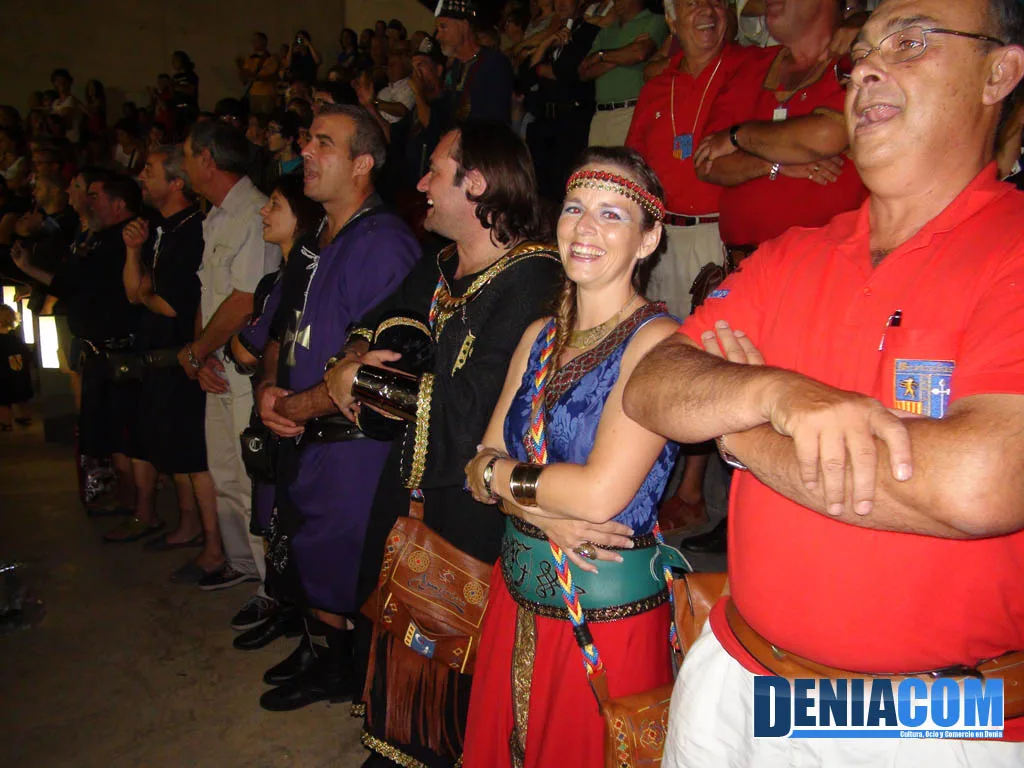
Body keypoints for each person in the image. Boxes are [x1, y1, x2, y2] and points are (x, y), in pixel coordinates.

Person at [624, 0, 1024, 762]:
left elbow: (981, 481)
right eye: (863, 51)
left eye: (911, 42)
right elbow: (652, 384)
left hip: (926, 713)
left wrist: (738, 431)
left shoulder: (1013, 250)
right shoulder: (794, 253)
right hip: (739, 669)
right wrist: (780, 395)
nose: (869, 66)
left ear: (998, 72)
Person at [323, 121, 563, 768]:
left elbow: (481, 407)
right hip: (413, 481)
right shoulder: (443, 264)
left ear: (477, 183)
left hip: (475, 499)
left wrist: (367, 378)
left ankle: (436, 750)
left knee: (449, 645)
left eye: (434, 171)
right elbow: (384, 316)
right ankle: (395, 740)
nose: (421, 185)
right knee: (392, 614)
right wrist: (359, 354)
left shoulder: (535, 280)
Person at [462, 146, 681, 766]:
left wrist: (503, 483)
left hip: (605, 614)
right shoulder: (538, 336)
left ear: (649, 239)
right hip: (516, 598)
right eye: (575, 208)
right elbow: (473, 465)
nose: (585, 228)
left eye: (612, 215)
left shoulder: (657, 344)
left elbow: (597, 496)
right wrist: (536, 512)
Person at [252, 104, 421, 712]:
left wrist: (295, 406)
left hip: (352, 444)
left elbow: (378, 369)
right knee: (311, 558)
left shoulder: (382, 245)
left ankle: (365, 685)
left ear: (362, 164)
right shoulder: (313, 240)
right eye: (306, 141)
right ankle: (326, 658)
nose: (307, 154)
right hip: (299, 424)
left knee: (351, 569)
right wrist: (268, 388)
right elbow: (278, 330)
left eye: (325, 143)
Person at [178, 121, 282, 606]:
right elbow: (209, 292)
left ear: (207, 158)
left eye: (186, 155)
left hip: (242, 371)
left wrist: (199, 352)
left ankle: (270, 587)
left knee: (248, 480)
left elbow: (244, 302)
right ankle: (241, 565)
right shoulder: (217, 215)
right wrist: (200, 352)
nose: (183, 166)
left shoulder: (251, 212)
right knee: (223, 474)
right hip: (215, 365)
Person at [226, 172, 323, 649]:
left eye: (276, 204)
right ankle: (281, 603)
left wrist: (244, 341)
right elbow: (249, 346)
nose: (265, 212)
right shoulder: (274, 280)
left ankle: (302, 617)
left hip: (295, 414)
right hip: (269, 407)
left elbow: (247, 345)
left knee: (291, 518)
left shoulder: (304, 275)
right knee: (268, 511)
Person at [13, 172, 143, 517]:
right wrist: (27, 268)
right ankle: (124, 498)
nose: (87, 200)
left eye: (95, 195)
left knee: (124, 435)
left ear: (118, 204)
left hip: (120, 351)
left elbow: (94, 287)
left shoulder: (126, 240)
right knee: (105, 432)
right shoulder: (97, 237)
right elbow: (70, 283)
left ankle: (138, 506)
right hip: (96, 349)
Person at [521, 0, 602, 201]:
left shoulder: (589, 31)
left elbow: (569, 72)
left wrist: (542, 68)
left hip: (571, 121)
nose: (562, 3)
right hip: (543, 121)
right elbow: (525, 76)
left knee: (563, 191)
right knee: (537, 192)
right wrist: (545, 45)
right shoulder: (552, 33)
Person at [578, 0, 670, 146]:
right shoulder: (606, 31)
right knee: (596, 167)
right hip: (601, 115)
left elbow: (640, 53)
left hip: (631, 111)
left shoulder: (655, 20)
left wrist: (601, 56)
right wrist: (624, 54)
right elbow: (584, 71)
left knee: (626, 166)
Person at [435, 0, 516, 123]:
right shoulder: (457, 65)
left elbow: (496, 121)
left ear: (464, 26)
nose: (438, 36)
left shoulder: (494, 63)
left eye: (443, 27)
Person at [0, 305, 32, 430]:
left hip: (3, 376)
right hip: (20, 374)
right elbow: (27, 354)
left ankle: (6, 423)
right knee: (22, 398)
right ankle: (26, 417)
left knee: (3, 401)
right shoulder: (16, 338)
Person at [237, 32, 279, 116]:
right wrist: (240, 68)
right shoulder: (250, 59)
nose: (253, 43)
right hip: (253, 94)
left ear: (263, 42)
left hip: (266, 94)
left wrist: (253, 75)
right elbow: (244, 80)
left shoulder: (272, 59)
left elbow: (270, 77)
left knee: (266, 117)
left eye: (256, 40)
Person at [171, 51, 200, 136]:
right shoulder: (175, 77)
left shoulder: (190, 75)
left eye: (175, 60)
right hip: (177, 109)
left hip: (188, 108)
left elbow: (190, 90)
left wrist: (175, 86)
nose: (173, 63)